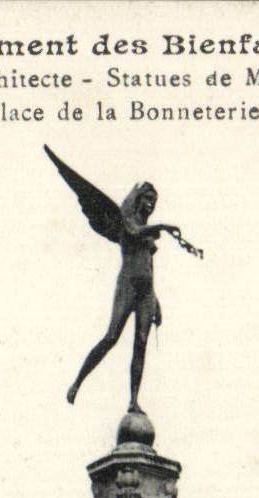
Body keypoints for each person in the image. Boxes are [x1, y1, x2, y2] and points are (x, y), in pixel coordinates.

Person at [44, 146, 200, 413]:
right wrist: (162, 227)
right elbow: (136, 232)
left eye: (155, 200)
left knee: (141, 344)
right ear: (139, 198)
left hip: (146, 291)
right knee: (111, 337)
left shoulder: (146, 231)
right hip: (128, 284)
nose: (151, 203)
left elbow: (149, 264)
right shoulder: (126, 221)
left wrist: (157, 301)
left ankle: (134, 400)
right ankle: (77, 382)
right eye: (148, 198)